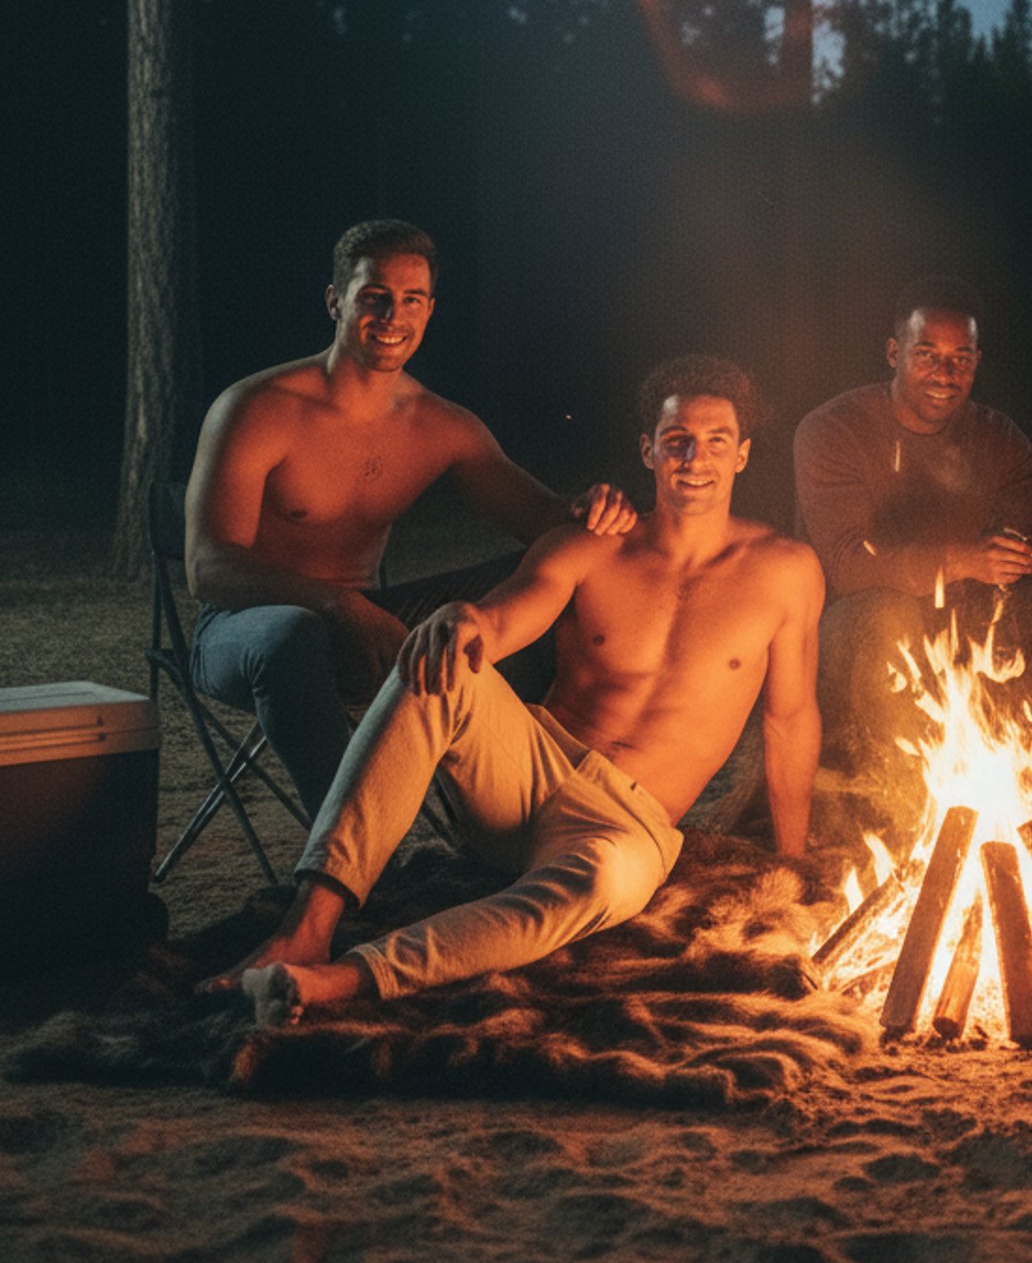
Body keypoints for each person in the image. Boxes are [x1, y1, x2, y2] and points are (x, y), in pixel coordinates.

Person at [207, 356, 823, 1019]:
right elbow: (503, 621)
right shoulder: (593, 545)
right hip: (526, 772)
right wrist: (465, 622)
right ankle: (308, 928)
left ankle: (353, 977)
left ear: (743, 456)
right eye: (677, 441)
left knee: (608, 878)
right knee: (438, 662)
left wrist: (794, 864)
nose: (694, 458)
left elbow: (788, 719)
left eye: (715, 442)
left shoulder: (785, 571)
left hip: (627, 821)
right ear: (648, 451)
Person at [185, 219, 634, 816]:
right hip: (245, 634)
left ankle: (537, 811)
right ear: (336, 301)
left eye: (411, 300)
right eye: (375, 296)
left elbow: (548, 522)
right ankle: (345, 858)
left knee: (572, 570)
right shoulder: (259, 409)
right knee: (293, 634)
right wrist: (340, 604)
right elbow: (209, 567)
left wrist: (594, 507)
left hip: (371, 627)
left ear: (428, 310)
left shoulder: (438, 424)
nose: (393, 315)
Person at [792, 276, 1032, 813]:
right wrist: (966, 559)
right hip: (854, 625)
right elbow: (847, 567)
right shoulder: (833, 430)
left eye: (961, 358)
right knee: (892, 618)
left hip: (959, 614)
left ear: (978, 361)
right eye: (927, 355)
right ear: (894, 353)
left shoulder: (995, 435)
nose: (945, 373)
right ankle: (906, 796)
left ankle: (1024, 773)